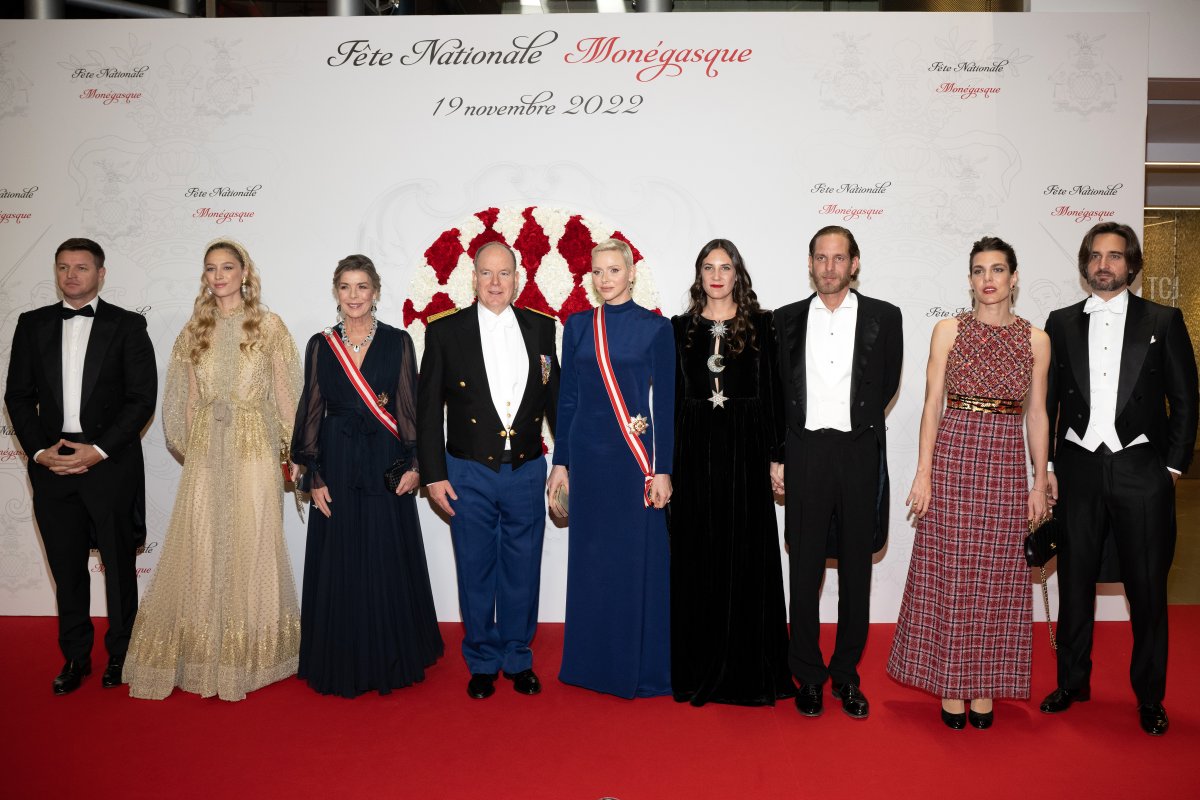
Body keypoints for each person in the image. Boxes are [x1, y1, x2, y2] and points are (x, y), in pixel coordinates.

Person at [122, 239, 302, 701]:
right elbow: (182, 400)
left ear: (244, 273)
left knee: (255, 542)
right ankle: (203, 654)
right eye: (210, 268)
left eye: (227, 267)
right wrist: (194, 449)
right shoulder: (194, 329)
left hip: (255, 448)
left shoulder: (269, 326)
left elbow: (287, 395)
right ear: (204, 277)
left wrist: (294, 450)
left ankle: (253, 656)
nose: (218, 276)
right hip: (206, 451)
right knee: (202, 545)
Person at [1040, 222, 1197, 736]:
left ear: (1131, 264)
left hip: (1141, 469)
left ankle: (1150, 696)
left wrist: (1172, 467)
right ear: (1085, 264)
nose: (1103, 264)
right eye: (1095, 255)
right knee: (1075, 582)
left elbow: (1185, 399)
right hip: (1078, 469)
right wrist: (1047, 468)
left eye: (1114, 256)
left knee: (1147, 590)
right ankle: (1072, 682)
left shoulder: (1164, 320)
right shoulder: (1060, 322)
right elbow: (1047, 402)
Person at [887, 236, 1051, 730]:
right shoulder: (948, 330)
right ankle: (951, 686)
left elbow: (1037, 414)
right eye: (979, 270)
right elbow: (932, 404)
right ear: (970, 280)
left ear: (1014, 277)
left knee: (998, 578)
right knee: (953, 576)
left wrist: (1038, 482)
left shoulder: (1036, 340)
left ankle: (985, 685)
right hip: (954, 458)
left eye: (997, 269)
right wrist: (924, 473)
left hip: (1005, 463)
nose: (988, 279)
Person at [5, 238, 156, 695]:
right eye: (63, 267)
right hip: (52, 462)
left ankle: (122, 653)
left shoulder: (127, 325)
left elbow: (141, 398)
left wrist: (100, 450)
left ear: (100, 274)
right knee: (65, 565)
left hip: (109, 463)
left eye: (81, 267)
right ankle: (75, 656)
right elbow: (17, 396)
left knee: (119, 564)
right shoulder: (31, 324)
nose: (71, 275)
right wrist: (39, 452)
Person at [290, 255, 443, 697]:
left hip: (384, 462)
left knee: (384, 554)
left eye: (362, 287)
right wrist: (313, 473)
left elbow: (409, 406)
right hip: (337, 461)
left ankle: (390, 656)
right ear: (336, 293)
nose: (353, 295)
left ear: (375, 291)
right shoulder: (321, 345)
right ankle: (339, 656)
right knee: (340, 557)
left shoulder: (398, 342)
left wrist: (415, 464)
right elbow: (311, 408)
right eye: (345, 287)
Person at [416, 241, 559, 700]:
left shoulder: (542, 328)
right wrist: (434, 474)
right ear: (473, 277)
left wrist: (566, 462)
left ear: (517, 279)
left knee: (523, 568)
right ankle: (481, 660)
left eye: (504, 273)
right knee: (475, 568)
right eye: (486, 273)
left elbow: (556, 401)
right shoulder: (445, 331)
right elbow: (426, 410)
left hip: (527, 468)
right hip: (468, 470)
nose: (495, 282)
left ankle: (517, 657)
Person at [772, 225, 902, 720]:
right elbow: (777, 393)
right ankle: (807, 674)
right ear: (810, 264)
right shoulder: (784, 319)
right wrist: (779, 455)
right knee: (804, 570)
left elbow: (886, 382)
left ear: (854, 263)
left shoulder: (885, 316)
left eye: (839, 258)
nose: (829, 267)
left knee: (855, 571)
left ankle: (846, 675)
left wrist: (856, 428)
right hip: (804, 451)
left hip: (858, 452)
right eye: (821, 258)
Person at [668, 238, 794, 707]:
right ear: (698, 274)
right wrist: (666, 466)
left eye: (725, 267)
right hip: (693, 451)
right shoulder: (679, 328)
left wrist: (778, 455)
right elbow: (671, 399)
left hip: (746, 450)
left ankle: (747, 668)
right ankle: (699, 666)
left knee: (746, 550)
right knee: (698, 552)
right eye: (708, 267)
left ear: (737, 273)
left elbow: (774, 394)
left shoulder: (763, 325)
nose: (717, 275)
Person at [546, 238, 674, 699]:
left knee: (635, 561)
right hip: (587, 459)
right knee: (592, 563)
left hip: (633, 461)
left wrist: (664, 468)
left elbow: (667, 406)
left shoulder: (656, 328)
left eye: (614, 270)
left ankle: (639, 668)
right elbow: (568, 399)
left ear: (631, 273)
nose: (605, 279)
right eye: (597, 271)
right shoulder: (578, 326)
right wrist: (561, 463)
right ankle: (590, 665)